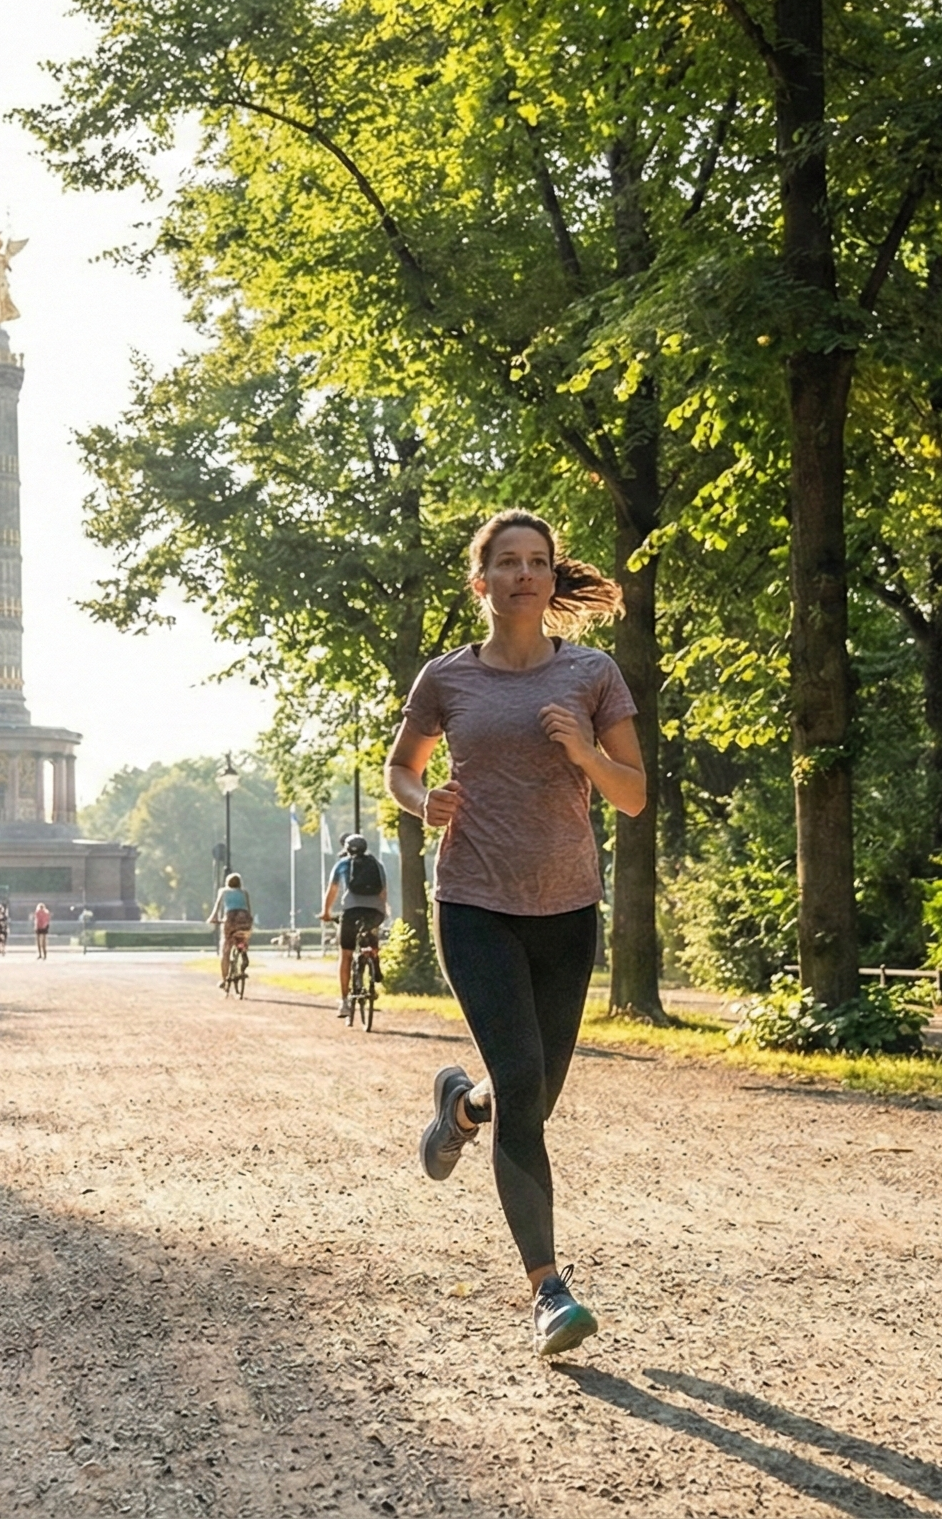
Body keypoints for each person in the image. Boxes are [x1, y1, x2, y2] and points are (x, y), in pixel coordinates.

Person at [388, 508, 647, 1357]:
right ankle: (549, 1292)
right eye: (508, 562)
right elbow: (402, 765)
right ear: (483, 582)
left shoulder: (594, 675)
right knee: (527, 1084)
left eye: (539, 561)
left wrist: (585, 752)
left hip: (568, 909)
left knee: (525, 1098)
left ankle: (462, 1109)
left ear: (550, 577)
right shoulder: (447, 678)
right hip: (473, 903)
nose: (526, 574)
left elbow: (633, 794)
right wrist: (424, 801)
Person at [318, 832, 389, 1020]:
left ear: (347, 850)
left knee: (346, 955)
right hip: (375, 913)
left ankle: (344, 1002)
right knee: (370, 932)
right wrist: (381, 911)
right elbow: (383, 892)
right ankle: (374, 958)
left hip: (351, 912)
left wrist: (326, 913)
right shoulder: (377, 865)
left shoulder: (342, 864)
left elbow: (332, 891)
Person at [207, 873, 253, 981]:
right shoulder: (244, 893)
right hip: (244, 918)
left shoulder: (223, 891)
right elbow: (249, 909)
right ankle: (243, 949)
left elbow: (217, 907)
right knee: (243, 936)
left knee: (226, 949)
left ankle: (224, 979)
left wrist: (212, 918)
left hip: (231, 918)